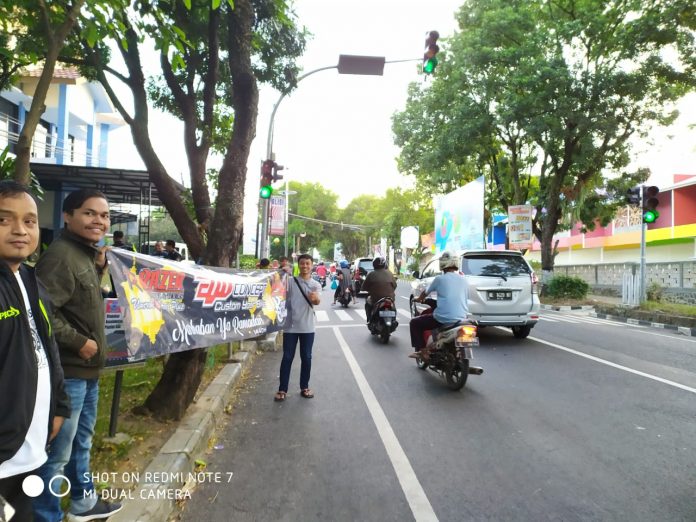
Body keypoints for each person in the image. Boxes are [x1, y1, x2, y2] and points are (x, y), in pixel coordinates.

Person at [33, 189, 122, 521]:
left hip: (87, 373)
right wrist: (78, 342)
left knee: (80, 443)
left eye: (104, 215)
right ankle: (47, 515)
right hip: (68, 373)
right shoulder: (60, 256)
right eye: (89, 213)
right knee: (56, 454)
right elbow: (41, 312)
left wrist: (99, 269)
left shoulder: (85, 254)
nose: (98, 220)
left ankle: (83, 503)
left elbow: (79, 303)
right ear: (67, 216)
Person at [0, 181, 70, 521]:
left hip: (29, 449)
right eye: (4, 220)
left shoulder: (30, 280)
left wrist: (59, 405)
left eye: (29, 221)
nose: (19, 230)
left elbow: (47, 347)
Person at [275, 254, 321, 402]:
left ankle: (304, 387)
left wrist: (315, 298)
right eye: (302, 263)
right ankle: (282, 389)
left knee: (306, 357)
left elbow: (317, 300)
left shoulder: (315, 284)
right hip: (290, 326)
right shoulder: (289, 282)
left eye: (307, 263)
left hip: (308, 327)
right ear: (298, 265)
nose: (305, 266)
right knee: (287, 357)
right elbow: (277, 291)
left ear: (312, 265)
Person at [408, 251, 468, 359]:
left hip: (442, 319)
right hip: (462, 318)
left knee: (414, 323)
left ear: (443, 264)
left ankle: (423, 352)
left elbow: (425, 293)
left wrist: (419, 299)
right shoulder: (464, 279)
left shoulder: (439, 279)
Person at [361, 256, 397, 322]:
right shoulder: (390, 273)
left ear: (374, 265)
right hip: (390, 299)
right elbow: (395, 286)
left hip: (376, 299)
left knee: (368, 302)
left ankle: (369, 320)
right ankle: (394, 319)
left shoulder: (371, 274)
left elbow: (363, 287)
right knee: (393, 305)